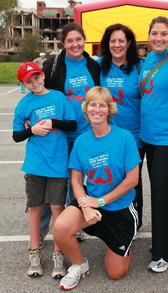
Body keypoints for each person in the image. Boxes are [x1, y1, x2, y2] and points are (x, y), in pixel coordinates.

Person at [54, 86, 141, 290]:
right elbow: (75, 180)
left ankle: (126, 244)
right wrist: (85, 206)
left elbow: (133, 179)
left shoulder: (124, 137)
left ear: (109, 110)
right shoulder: (81, 141)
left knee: (116, 273)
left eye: (102, 105)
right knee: (60, 227)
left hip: (118, 208)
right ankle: (79, 265)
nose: (97, 109)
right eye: (93, 104)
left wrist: (100, 201)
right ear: (86, 109)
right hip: (91, 204)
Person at [13, 62, 77, 278]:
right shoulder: (24, 104)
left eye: (36, 78)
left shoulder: (58, 97)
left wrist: (53, 122)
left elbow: (73, 125)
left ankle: (58, 255)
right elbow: (16, 135)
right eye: (28, 81)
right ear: (23, 84)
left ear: (43, 76)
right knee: (35, 208)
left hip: (58, 163)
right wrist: (32, 129)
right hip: (35, 164)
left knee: (58, 208)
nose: (34, 83)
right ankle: (35, 252)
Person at [40, 22, 100, 243]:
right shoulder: (52, 65)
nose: (75, 44)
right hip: (60, 135)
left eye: (78, 39)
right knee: (55, 181)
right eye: (69, 40)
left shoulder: (93, 65)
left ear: (84, 40)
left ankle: (71, 224)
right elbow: (39, 94)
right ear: (63, 43)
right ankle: (43, 227)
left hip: (85, 135)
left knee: (77, 182)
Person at [139, 16, 168, 272]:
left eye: (163, 34)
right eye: (154, 33)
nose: (158, 38)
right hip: (149, 137)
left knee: (158, 189)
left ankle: (163, 253)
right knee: (165, 189)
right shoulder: (148, 60)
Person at [99, 23, 145, 229]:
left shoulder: (140, 67)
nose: (117, 45)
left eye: (121, 41)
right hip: (107, 135)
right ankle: (112, 222)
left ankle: (133, 223)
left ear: (129, 44)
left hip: (135, 136)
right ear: (107, 44)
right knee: (110, 177)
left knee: (133, 181)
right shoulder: (97, 66)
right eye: (113, 41)